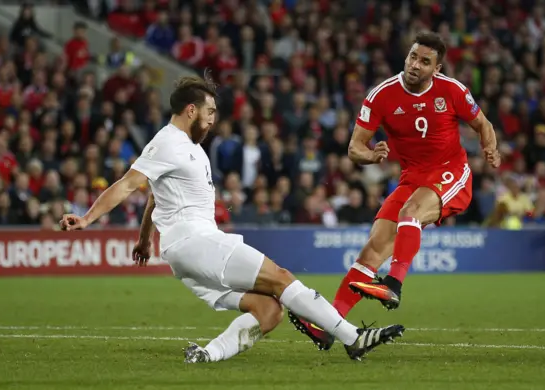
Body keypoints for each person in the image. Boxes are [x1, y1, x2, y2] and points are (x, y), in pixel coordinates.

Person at [59, 73, 404, 363]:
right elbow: (127, 184)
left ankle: (206, 355)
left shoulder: (189, 148)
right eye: (208, 112)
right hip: (196, 242)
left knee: (269, 312)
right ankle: (352, 337)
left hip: (187, 252)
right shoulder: (168, 142)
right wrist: (88, 219)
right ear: (190, 110)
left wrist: (143, 238)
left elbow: (153, 195)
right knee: (282, 278)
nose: (212, 119)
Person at [289, 31, 501, 351]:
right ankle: (329, 325)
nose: (415, 65)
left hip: (450, 173)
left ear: (437, 68)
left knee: (410, 213)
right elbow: (354, 148)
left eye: (424, 61)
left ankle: (394, 283)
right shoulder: (381, 95)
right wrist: (371, 155)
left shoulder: (453, 90)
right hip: (411, 179)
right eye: (413, 57)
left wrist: (490, 149)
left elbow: (483, 124)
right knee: (370, 252)